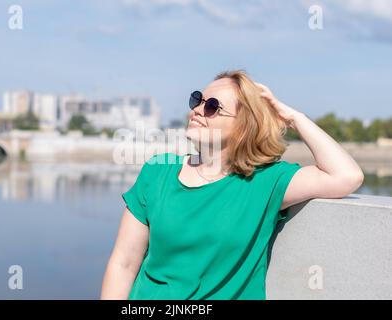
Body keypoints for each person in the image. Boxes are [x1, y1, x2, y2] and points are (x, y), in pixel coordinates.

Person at [100, 70, 364, 300]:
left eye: (212, 106)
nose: (198, 110)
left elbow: (346, 176)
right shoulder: (158, 172)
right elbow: (123, 263)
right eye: (197, 100)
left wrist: (293, 117)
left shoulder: (265, 182)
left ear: (243, 126)